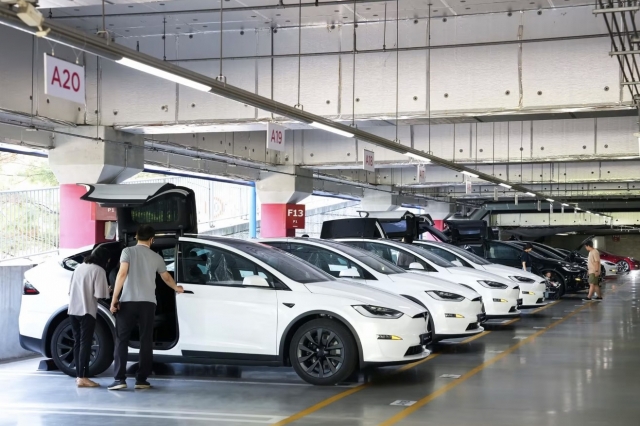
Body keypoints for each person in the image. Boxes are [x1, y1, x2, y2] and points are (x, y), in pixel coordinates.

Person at [108, 225, 184, 391]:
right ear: (152, 240)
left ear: (136, 236)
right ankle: (141, 379)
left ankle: (119, 379)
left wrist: (115, 299)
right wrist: (177, 288)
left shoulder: (127, 252)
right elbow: (166, 277)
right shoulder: (156, 257)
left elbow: (121, 274)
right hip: (148, 304)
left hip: (127, 302)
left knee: (121, 339)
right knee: (146, 341)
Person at [68, 246, 111, 388]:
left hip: (73, 310)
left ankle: (79, 376)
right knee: (86, 344)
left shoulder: (79, 268)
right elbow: (100, 294)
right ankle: (83, 378)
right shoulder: (99, 270)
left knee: (78, 343)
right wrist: (110, 289)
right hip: (87, 311)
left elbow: (70, 290)